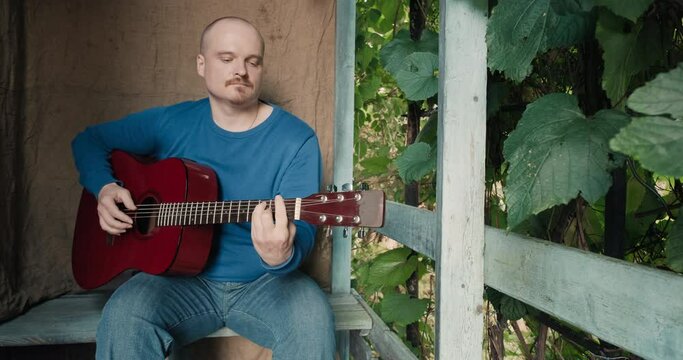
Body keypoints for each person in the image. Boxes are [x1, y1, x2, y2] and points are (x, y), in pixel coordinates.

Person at [71, 16, 335, 359]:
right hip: (176, 281)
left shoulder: (296, 139)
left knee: (312, 318)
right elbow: (90, 141)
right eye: (227, 59)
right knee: (124, 316)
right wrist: (105, 188)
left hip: (265, 283)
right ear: (201, 63)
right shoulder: (170, 122)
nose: (241, 70)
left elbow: (303, 232)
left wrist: (281, 254)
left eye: (252, 62)